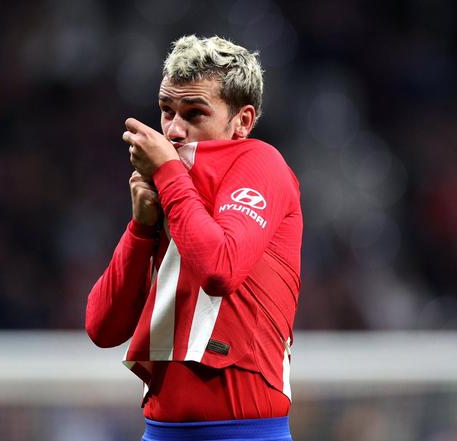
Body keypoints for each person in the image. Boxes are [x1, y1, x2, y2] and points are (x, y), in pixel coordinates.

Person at [85, 35, 303, 441]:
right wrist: (141, 227)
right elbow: (102, 327)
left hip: (247, 433)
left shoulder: (262, 163)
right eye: (166, 111)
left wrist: (168, 174)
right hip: (159, 432)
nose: (173, 130)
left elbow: (219, 269)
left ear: (243, 121)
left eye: (195, 113)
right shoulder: (175, 188)